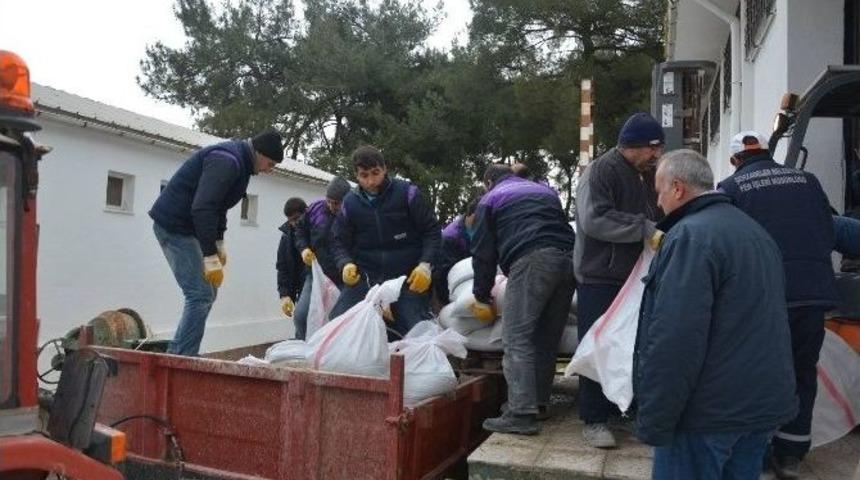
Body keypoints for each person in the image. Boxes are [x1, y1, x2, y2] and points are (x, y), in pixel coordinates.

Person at [636, 149, 797, 480]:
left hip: (705, 416)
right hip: (757, 408)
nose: (659, 202)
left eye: (659, 191)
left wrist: (655, 419)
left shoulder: (689, 237)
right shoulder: (756, 233)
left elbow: (675, 339)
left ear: (678, 188)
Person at [717, 131, 839, 479]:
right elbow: (826, 226)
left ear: (734, 160)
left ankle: (756, 453)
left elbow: (729, 243)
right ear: (767, 152)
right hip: (813, 294)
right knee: (802, 371)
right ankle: (791, 456)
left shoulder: (731, 189)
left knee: (758, 376)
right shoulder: (809, 180)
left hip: (767, 300)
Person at [573, 112, 664, 448]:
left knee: (635, 344)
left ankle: (627, 409)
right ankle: (595, 419)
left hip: (637, 275)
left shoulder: (648, 174)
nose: (656, 156)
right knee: (598, 344)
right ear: (634, 147)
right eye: (653, 149)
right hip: (600, 276)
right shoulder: (600, 171)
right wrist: (643, 229)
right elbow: (594, 219)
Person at [150, 129, 283, 355]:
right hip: (173, 226)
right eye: (270, 164)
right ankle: (181, 357)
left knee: (208, 293)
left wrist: (219, 241)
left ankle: (182, 352)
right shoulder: (227, 161)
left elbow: (220, 205)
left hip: (188, 227)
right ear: (259, 153)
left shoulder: (241, 166)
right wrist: (209, 254)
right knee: (200, 294)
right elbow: (203, 207)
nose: (269, 170)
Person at [472, 163, 576, 435]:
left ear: (488, 182)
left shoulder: (490, 199)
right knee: (545, 338)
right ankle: (538, 403)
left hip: (532, 260)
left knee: (516, 337)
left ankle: (520, 413)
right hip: (569, 261)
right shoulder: (544, 191)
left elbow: (483, 253)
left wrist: (482, 294)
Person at [330, 145, 441, 335]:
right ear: (356, 176)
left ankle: (416, 362)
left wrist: (425, 265)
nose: (371, 181)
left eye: (376, 173)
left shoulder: (407, 193)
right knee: (338, 322)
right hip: (366, 277)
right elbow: (338, 241)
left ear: (385, 169)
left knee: (416, 328)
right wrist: (345, 263)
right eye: (364, 175)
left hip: (407, 278)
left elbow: (432, 231)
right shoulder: (349, 203)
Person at [290, 176, 351, 339]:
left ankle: (332, 353)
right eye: (329, 201)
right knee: (301, 315)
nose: (331, 206)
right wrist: (303, 249)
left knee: (337, 318)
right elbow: (300, 231)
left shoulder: (353, 214)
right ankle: (301, 349)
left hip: (343, 277)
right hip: (316, 274)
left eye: (336, 203)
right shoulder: (315, 208)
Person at [434, 198, 479, 304]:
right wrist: (447, 302)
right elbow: (442, 274)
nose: (480, 224)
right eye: (477, 220)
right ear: (470, 215)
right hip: (455, 285)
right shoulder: (450, 237)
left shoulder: (484, 231)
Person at [276, 197, 307, 337]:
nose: (294, 224)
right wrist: (285, 295)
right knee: (300, 319)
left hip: (317, 285)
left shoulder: (316, 232)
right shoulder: (286, 237)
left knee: (302, 317)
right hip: (300, 288)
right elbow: (283, 268)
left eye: (297, 218)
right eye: (290, 220)